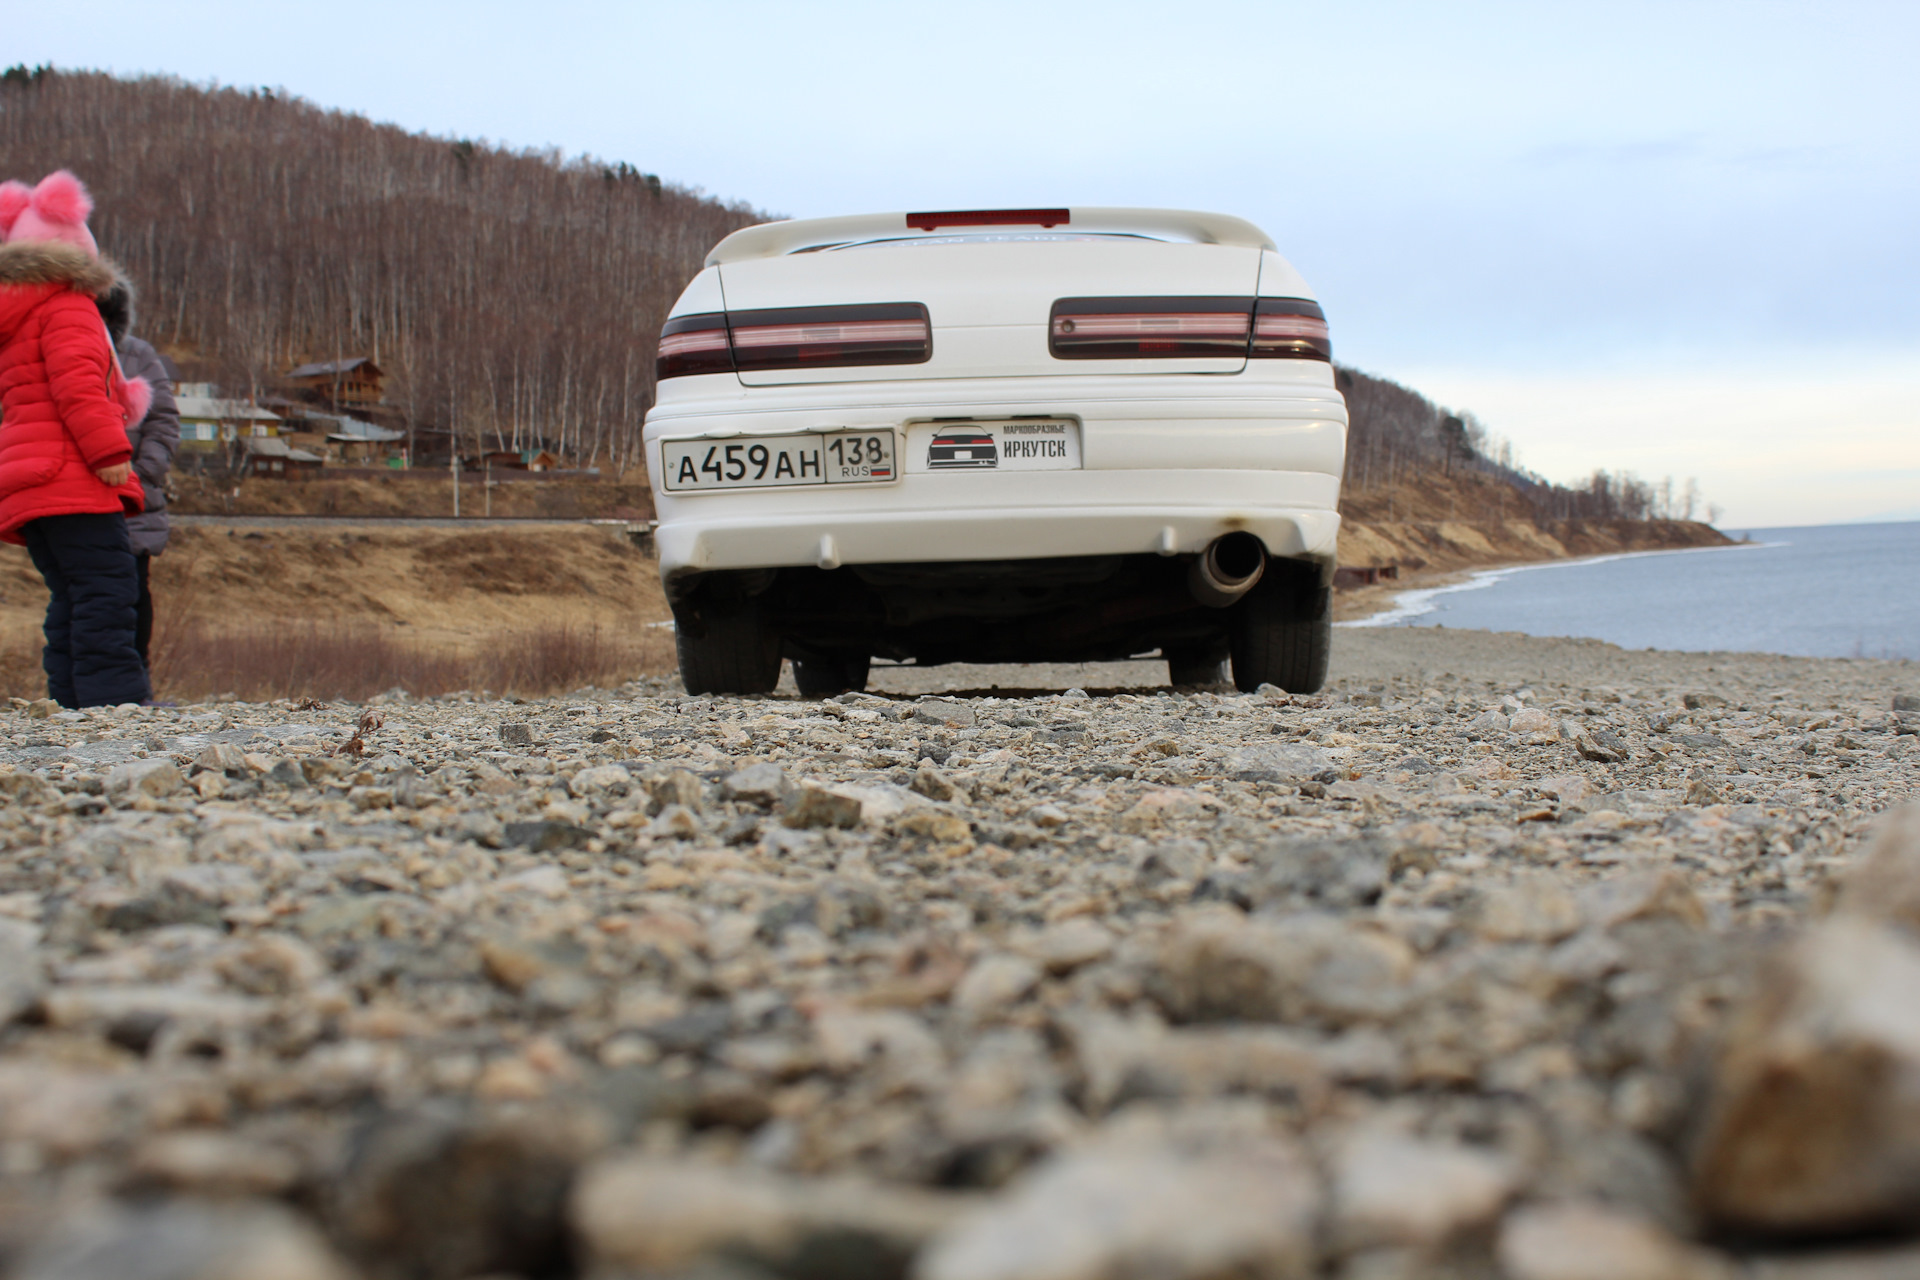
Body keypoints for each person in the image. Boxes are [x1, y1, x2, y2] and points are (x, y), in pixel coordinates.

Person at [0, 170, 151, 708]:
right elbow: (79, 387)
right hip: (71, 475)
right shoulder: (67, 308)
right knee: (108, 588)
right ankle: (113, 700)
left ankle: (72, 702)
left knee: (71, 593)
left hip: (30, 480)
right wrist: (110, 451)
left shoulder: (20, 313)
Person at [97, 274, 179, 673]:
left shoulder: (138, 356)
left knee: (133, 589)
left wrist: (141, 473)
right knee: (83, 593)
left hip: (135, 496)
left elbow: (164, 420)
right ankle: (87, 686)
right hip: (81, 493)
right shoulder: (57, 350)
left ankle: (135, 682)